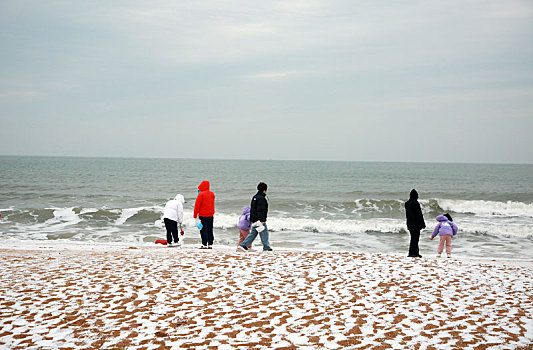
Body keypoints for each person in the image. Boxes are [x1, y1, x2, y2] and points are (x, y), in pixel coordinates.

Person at [238, 182, 272, 252]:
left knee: (253, 233)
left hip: (255, 219)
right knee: (264, 233)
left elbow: (253, 209)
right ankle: (266, 247)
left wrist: (253, 219)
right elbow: (261, 210)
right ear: (265, 190)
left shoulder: (255, 197)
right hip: (259, 220)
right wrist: (262, 220)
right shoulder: (261, 198)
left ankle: (243, 245)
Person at [193, 180, 215, 249]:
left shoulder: (201, 194)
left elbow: (197, 206)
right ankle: (210, 243)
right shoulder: (212, 194)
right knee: (210, 229)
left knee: (203, 230)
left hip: (203, 215)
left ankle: (204, 244)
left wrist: (195, 215)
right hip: (211, 215)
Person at [405, 189, 426, 258]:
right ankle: (415, 253)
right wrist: (423, 224)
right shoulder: (416, 203)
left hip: (409, 223)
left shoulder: (407, 203)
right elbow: (419, 214)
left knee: (412, 238)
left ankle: (411, 252)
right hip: (416, 224)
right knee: (415, 239)